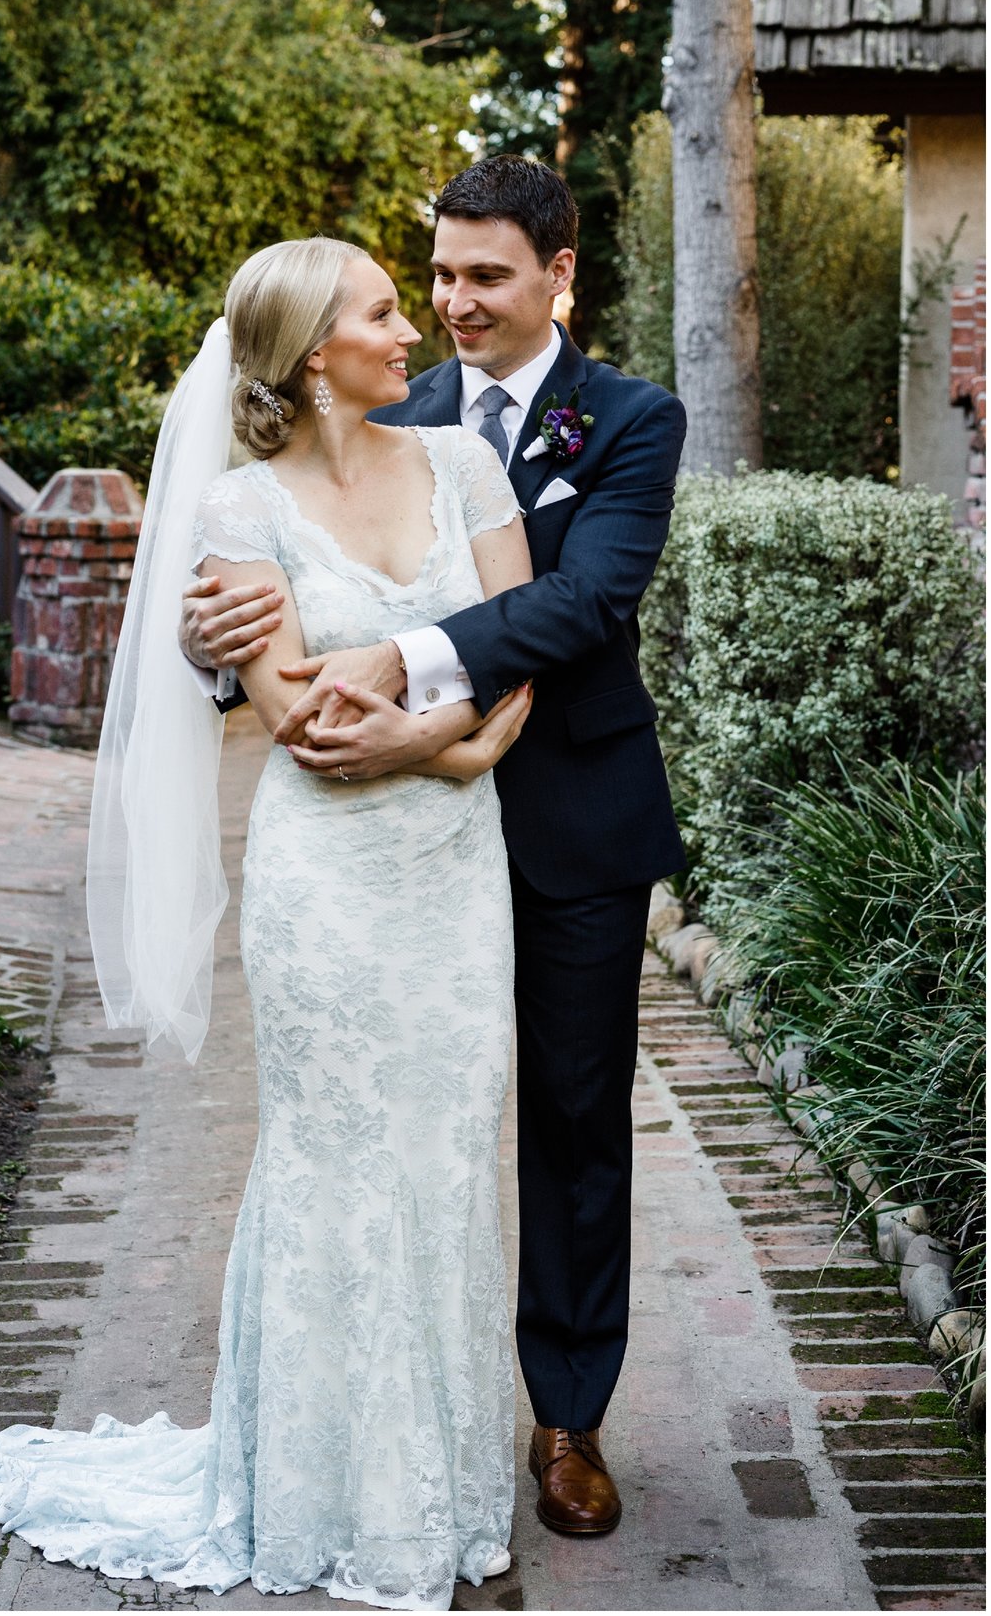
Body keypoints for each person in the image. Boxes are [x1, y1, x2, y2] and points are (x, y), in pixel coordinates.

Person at [0, 235, 540, 1609]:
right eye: (381, 308)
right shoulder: (239, 516)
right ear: (318, 353)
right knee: (332, 1161)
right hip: (329, 884)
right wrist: (452, 746)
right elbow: (294, 722)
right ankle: (321, 1495)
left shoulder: (467, 470)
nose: (410, 324)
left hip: (454, 878)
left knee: (448, 1158)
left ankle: (443, 1494)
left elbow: (519, 660)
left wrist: (456, 754)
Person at [185, 157, 686, 1537]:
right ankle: (379, 1427)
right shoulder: (374, 409)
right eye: (439, 276)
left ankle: (568, 1417)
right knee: (395, 1134)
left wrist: (405, 692)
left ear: (558, 273)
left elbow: (583, 603)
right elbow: (270, 604)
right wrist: (214, 645)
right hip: (382, 853)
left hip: (568, 814)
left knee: (575, 1123)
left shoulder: (632, 420)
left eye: (485, 277)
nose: (452, 306)